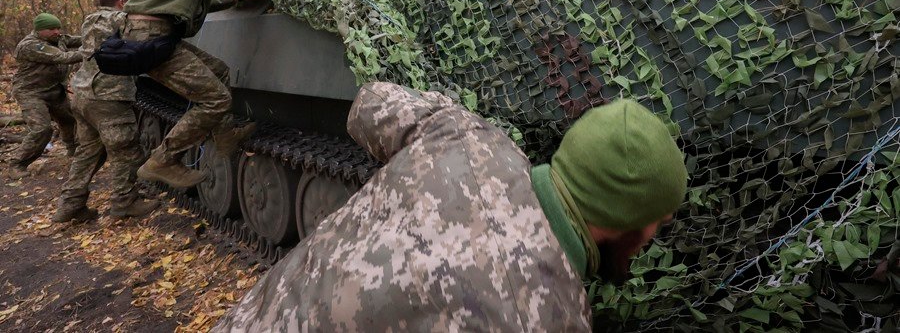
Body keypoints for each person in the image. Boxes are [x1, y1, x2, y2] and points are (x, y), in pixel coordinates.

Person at [214, 82, 688, 332]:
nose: (652, 240)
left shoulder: (467, 136)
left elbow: (367, 105)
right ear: (629, 221)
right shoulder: (548, 319)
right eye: (657, 224)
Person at [124, 0, 323, 189]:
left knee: (219, 71)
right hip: (151, 35)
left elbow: (192, 1)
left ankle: (225, 135)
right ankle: (162, 160)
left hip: (150, 32)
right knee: (215, 99)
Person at [52, 0, 160, 223]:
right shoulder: (121, 19)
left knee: (87, 152)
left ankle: (70, 205)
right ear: (122, 3)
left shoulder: (90, 20)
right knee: (126, 151)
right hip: (108, 96)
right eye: (131, 2)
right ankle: (124, 203)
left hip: (82, 95)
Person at [7, 13, 82, 179]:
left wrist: (100, 37)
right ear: (39, 30)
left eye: (58, 28)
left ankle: (73, 151)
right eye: (51, 29)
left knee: (69, 120)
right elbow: (62, 57)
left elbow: (79, 39)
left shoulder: (58, 38)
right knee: (41, 128)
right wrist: (94, 50)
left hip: (54, 90)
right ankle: (17, 163)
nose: (56, 32)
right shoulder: (30, 45)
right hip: (31, 92)